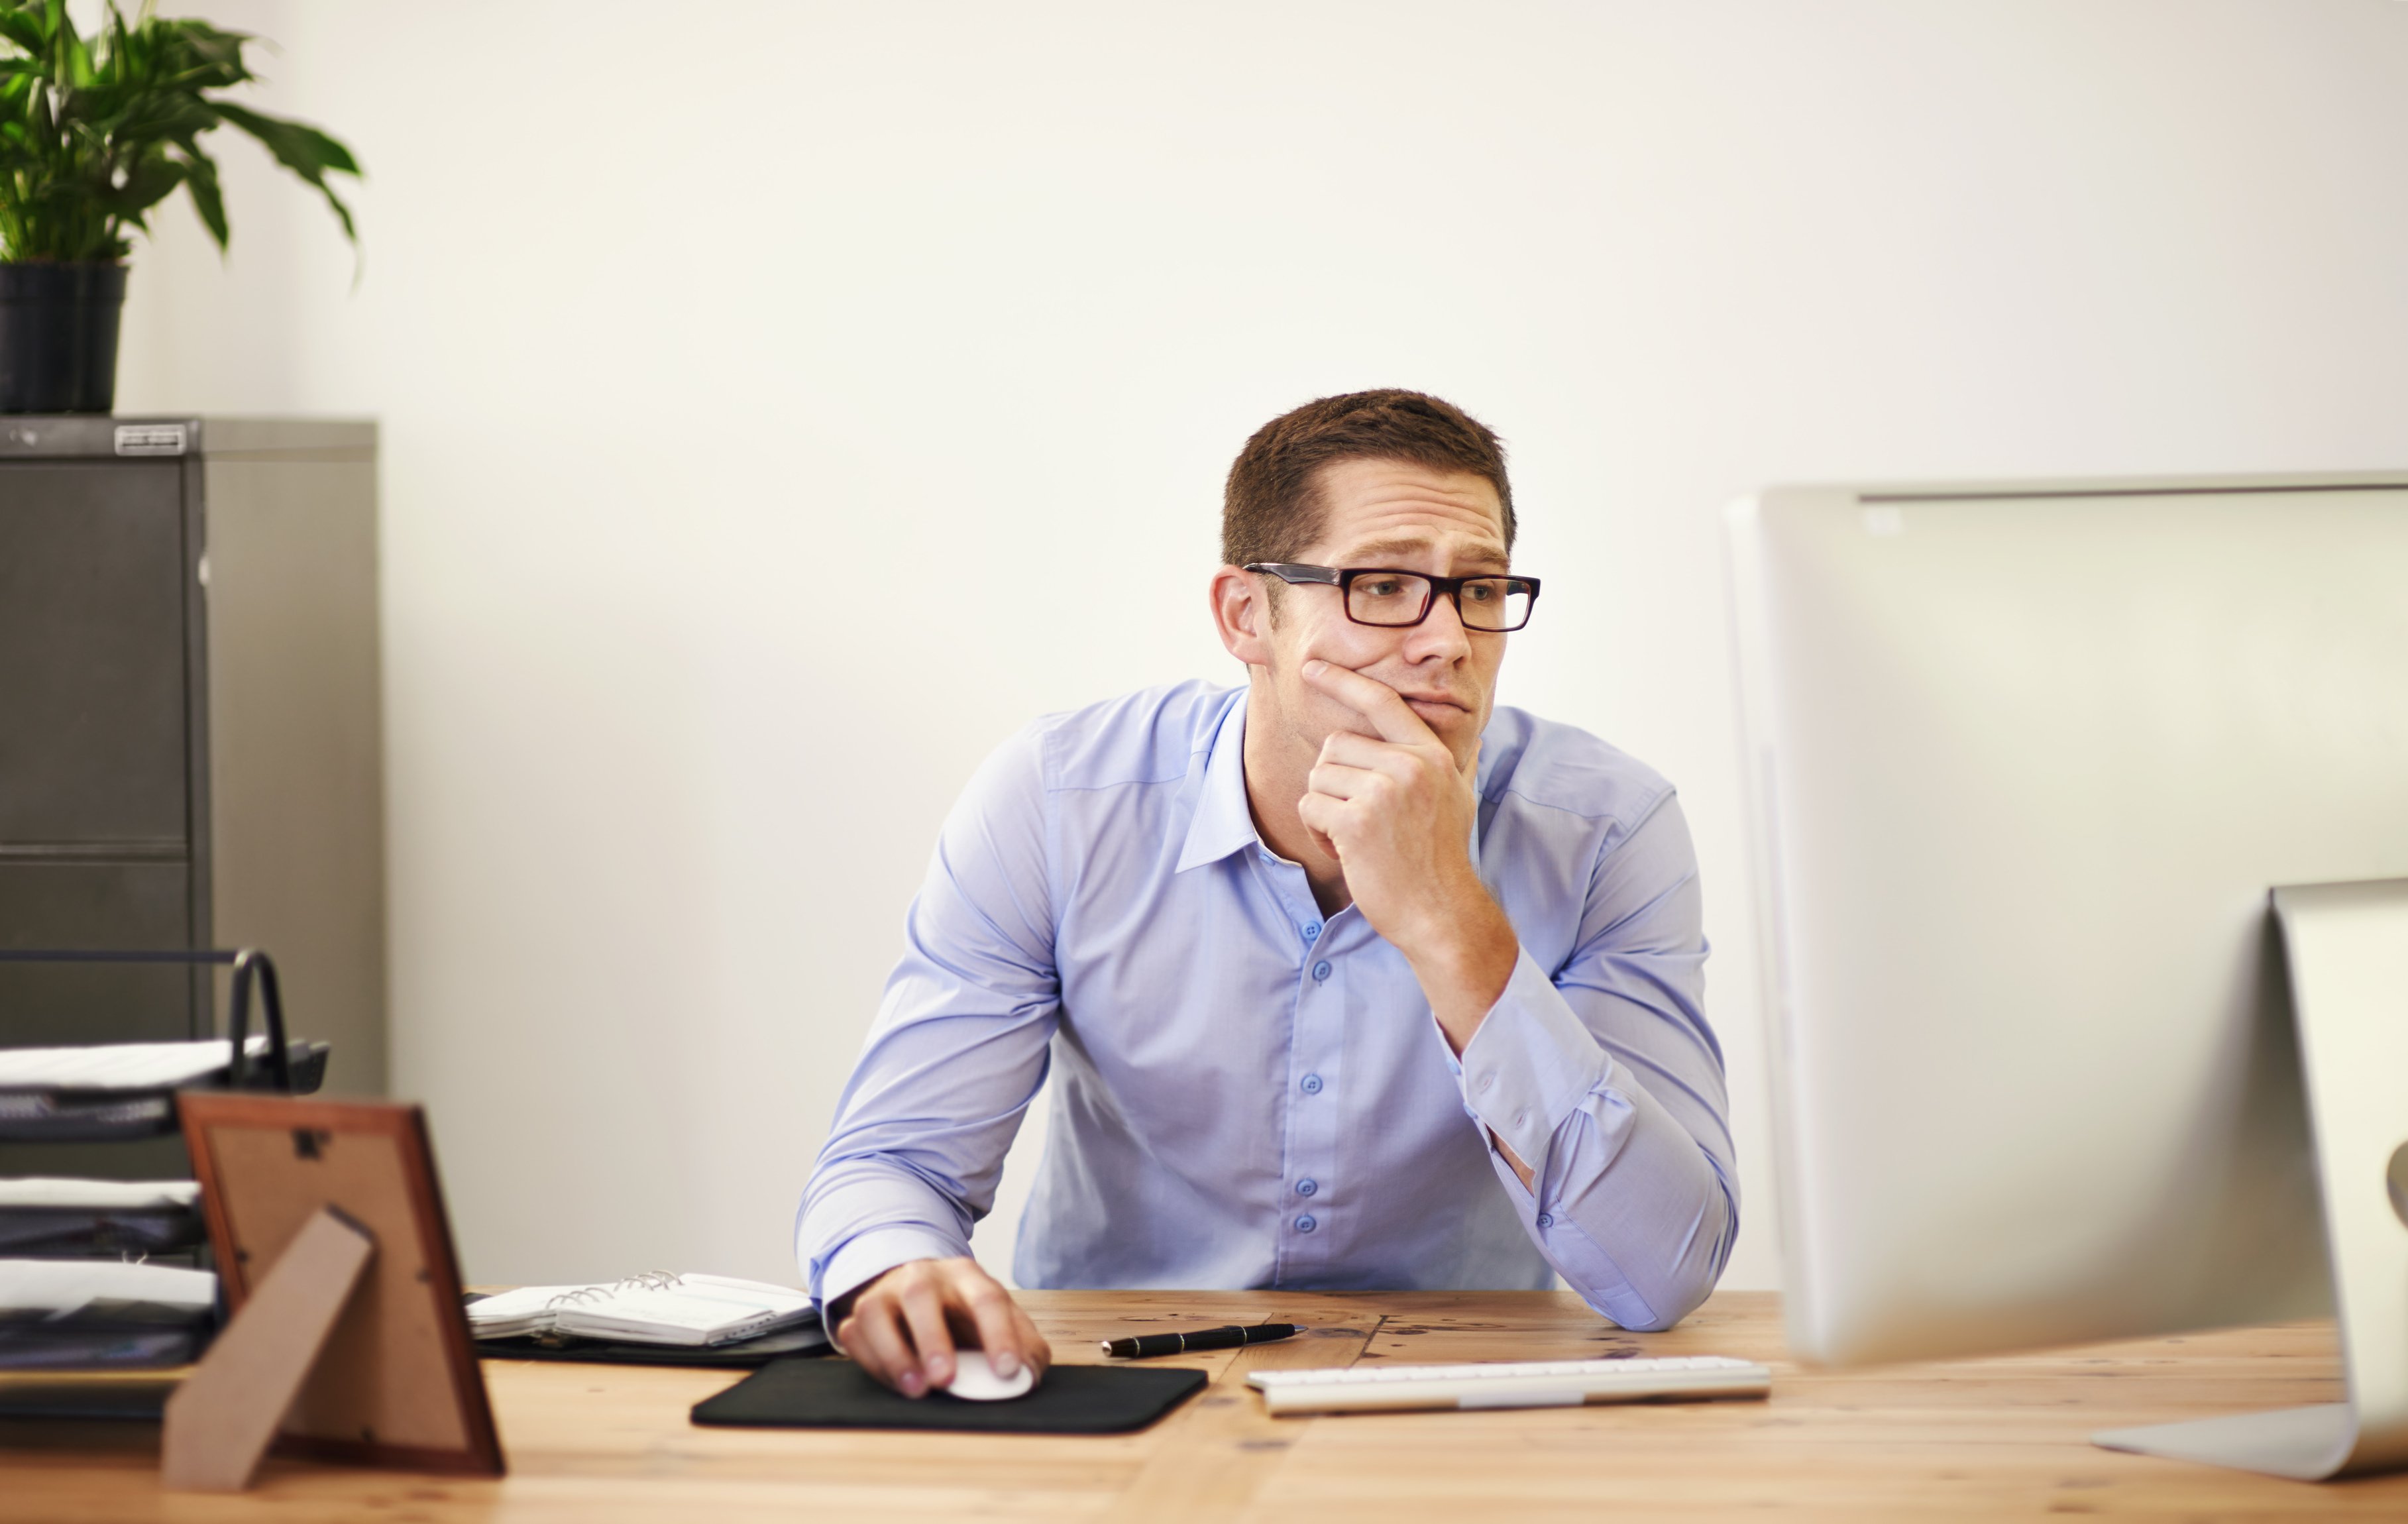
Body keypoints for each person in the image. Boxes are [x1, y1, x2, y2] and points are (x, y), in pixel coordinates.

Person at [798, 390, 1737, 1395]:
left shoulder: (1606, 831)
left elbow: (1660, 1275)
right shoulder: (1061, 802)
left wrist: (1444, 918)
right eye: (1382, 586)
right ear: (1246, 616)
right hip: (1113, 1381)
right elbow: (893, 1164)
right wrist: (899, 1270)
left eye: (1478, 588)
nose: (1449, 642)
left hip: (1457, 1395)